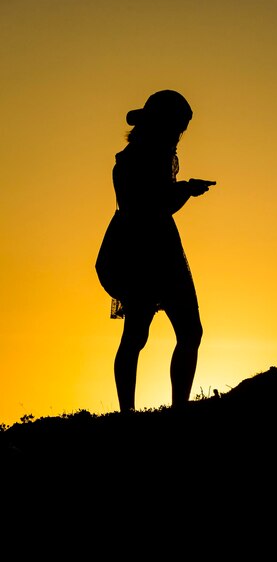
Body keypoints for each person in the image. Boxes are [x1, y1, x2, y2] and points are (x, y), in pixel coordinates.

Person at [96, 89, 216, 412]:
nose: (178, 136)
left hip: (160, 250)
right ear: (161, 125)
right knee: (138, 335)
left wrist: (183, 190)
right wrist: (184, 191)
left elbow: (161, 204)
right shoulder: (132, 162)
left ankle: (176, 410)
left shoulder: (151, 157)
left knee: (186, 331)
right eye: (176, 127)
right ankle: (129, 413)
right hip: (140, 254)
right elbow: (150, 206)